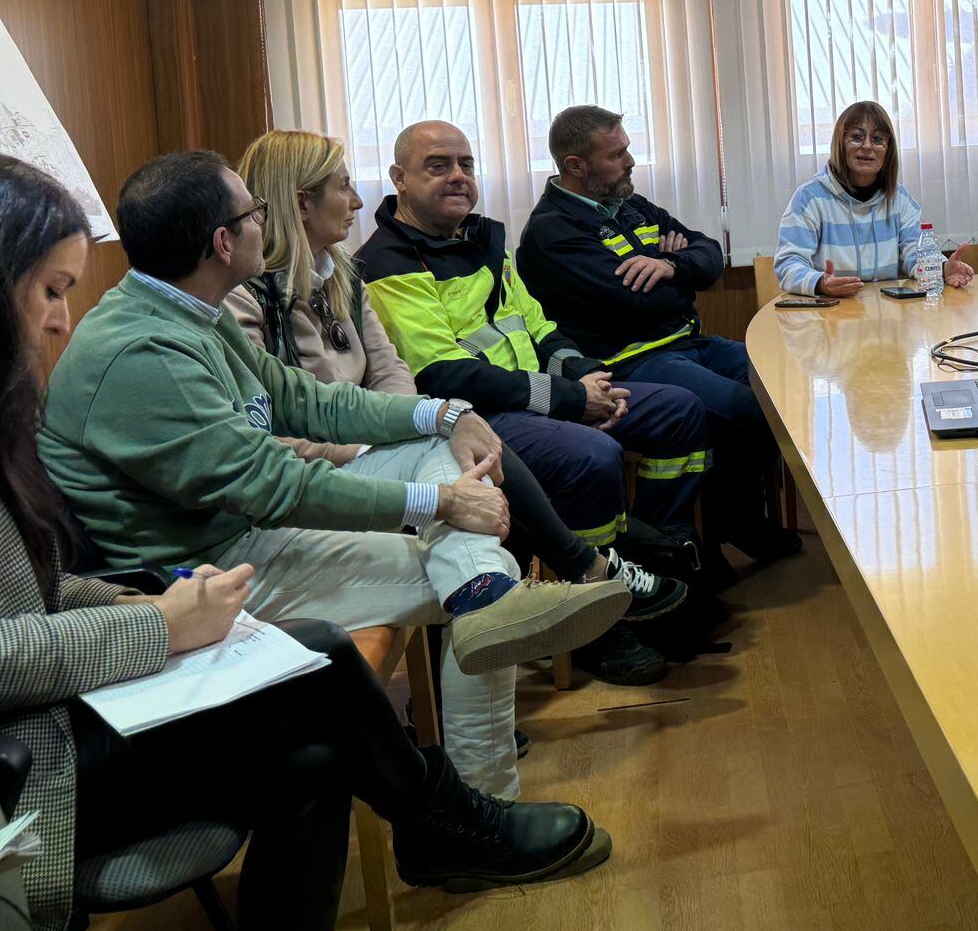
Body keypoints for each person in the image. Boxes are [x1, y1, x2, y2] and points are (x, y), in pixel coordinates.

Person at [0, 154, 601, 931]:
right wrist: (152, 626)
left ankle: (441, 812)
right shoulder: (72, 374)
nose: (63, 319)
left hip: (70, 692)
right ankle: (445, 814)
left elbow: (33, 587)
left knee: (318, 746)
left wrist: (117, 608)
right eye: (52, 291)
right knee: (328, 662)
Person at [39, 151, 630, 800]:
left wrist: (443, 413)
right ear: (223, 241)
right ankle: (482, 792)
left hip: (248, 541)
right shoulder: (142, 350)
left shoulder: (188, 309)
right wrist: (442, 503)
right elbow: (276, 485)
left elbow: (311, 402)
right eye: (255, 212)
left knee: (477, 570)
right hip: (194, 581)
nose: (266, 221)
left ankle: (484, 764)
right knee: (477, 577)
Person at [233, 129, 687, 686]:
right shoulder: (260, 294)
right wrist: (394, 438)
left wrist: (572, 381)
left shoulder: (344, 270)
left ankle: (611, 569)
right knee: (534, 461)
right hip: (333, 466)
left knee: (673, 410)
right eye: (345, 187)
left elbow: (394, 368)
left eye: (466, 163)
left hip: (408, 435)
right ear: (301, 199)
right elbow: (430, 377)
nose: (356, 201)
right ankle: (591, 577)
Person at [352, 121, 724, 672]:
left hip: (542, 398)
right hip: (473, 421)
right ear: (398, 180)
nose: (458, 176)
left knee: (677, 409)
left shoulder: (482, 239)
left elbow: (539, 326)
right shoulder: (387, 263)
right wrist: (572, 402)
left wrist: (590, 379)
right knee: (591, 455)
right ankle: (599, 621)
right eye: (439, 165)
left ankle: (660, 551)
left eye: (467, 164)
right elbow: (443, 374)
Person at [517, 106, 802, 571]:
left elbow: (707, 250)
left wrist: (671, 266)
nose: (630, 161)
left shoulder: (631, 206)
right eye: (617, 154)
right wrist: (679, 272)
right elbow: (639, 302)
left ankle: (730, 521)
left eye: (627, 149)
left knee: (781, 379)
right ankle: (721, 529)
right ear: (575, 165)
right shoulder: (552, 233)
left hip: (688, 343)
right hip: (632, 363)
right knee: (746, 407)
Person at [774, 100, 976, 297]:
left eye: (878, 139)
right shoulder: (809, 199)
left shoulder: (899, 199)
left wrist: (942, 268)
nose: (867, 146)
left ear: (888, 150)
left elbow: (916, 254)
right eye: (856, 136)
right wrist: (820, 283)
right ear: (840, 143)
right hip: (830, 317)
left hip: (888, 318)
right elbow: (788, 263)